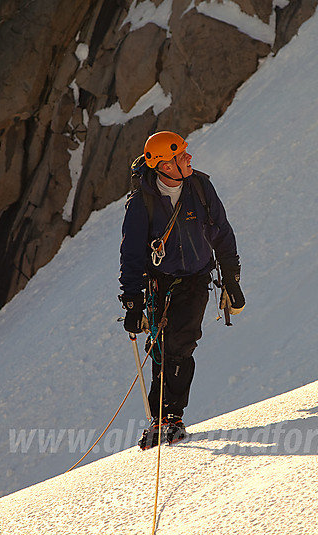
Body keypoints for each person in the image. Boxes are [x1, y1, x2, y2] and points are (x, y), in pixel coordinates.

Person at [119, 131, 245, 449]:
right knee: (162, 347)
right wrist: (133, 303)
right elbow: (132, 255)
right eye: (181, 155)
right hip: (159, 284)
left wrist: (232, 279)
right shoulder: (142, 204)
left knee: (180, 344)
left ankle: (170, 417)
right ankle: (162, 419)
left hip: (196, 279)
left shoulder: (200, 188)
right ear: (164, 165)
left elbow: (222, 233)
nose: (188, 158)